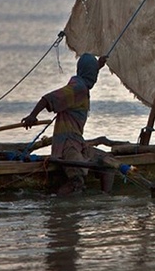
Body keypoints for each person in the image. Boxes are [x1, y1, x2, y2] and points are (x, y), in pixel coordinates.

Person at [21, 52, 108, 195]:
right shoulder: (77, 89)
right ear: (88, 73)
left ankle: (106, 199)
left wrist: (98, 66)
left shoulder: (82, 85)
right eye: (93, 73)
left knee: (105, 164)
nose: (95, 77)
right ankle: (57, 205)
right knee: (77, 181)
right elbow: (48, 99)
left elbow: (90, 76)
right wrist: (32, 116)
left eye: (95, 74)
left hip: (77, 143)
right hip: (68, 146)